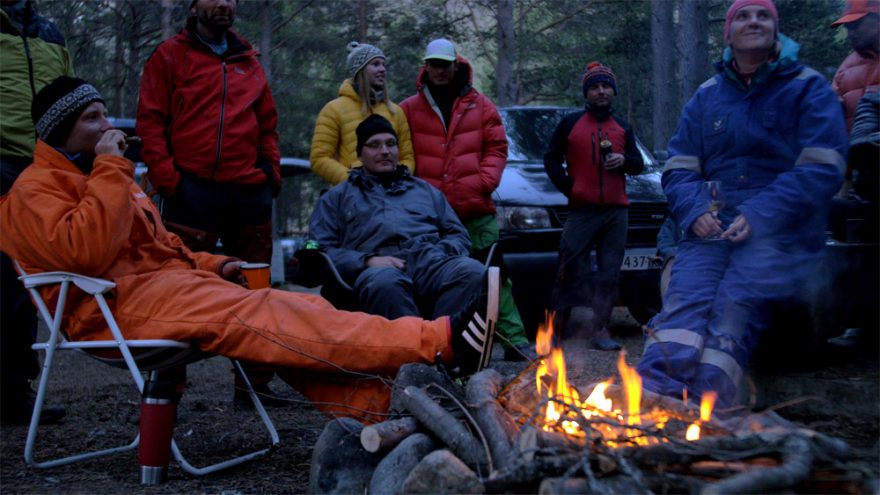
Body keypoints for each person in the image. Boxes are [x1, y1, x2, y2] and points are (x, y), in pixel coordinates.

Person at [2, 76, 497, 424]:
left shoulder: (102, 176)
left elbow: (163, 249)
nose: (108, 123)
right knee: (262, 315)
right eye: (93, 117)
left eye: (104, 112)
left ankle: (383, 407)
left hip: (166, 290)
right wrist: (112, 170)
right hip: (111, 311)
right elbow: (82, 255)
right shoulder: (35, 190)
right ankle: (438, 340)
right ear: (59, 129)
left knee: (296, 305)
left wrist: (217, 263)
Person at [636, 0, 848, 410]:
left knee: (733, 307)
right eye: (744, 16)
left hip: (779, 235)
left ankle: (705, 409)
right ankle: (649, 399)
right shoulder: (707, 96)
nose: (754, 21)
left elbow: (824, 167)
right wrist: (695, 210)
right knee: (685, 301)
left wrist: (762, 213)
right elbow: (679, 167)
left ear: (776, 30)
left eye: (763, 15)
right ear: (727, 33)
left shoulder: (807, 87)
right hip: (711, 229)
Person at [136, 0, 282, 408]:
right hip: (192, 191)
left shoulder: (248, 60)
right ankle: (168, 390)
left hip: (248, 192)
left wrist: (270, 174)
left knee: (256, 290)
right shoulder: (170, 56)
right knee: (178, 286)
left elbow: (268, 123)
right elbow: (150, 121)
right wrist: (169, 180)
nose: (223, 4)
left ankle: (253, 386)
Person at [399, 38, 532, 361]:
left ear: (455, 65)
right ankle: (435, 345)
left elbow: (497, 148)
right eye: (434, 64)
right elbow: (400, 153)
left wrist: (483, 182)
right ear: (425, 66)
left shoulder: (480, 104)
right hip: (430, 216)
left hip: (475, 209)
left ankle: (514, 341)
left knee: (494, 273)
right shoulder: (407, 109)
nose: (440, 70)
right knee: (434, 278)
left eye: (445, 64)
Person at [309, 115, 495, 343]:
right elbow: (319, 250)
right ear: (359, 154)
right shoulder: (337, 198)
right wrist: (366, 261)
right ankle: (414, 358)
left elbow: (458, 235)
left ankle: (443, 350)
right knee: (385, 283)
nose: (385, 151)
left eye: (390, 143)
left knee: (471, 271)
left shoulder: (425, 190)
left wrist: (439, 252)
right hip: (377, 269)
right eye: (374, 145)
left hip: (429, 264)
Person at [0, 0, 73, 424]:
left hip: (38, 166)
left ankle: (13, 392)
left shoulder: (51, 34)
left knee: (22, 282)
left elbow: (65, 94)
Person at [543, 61, 645, 351]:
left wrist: (624, 161)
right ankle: (556, 330)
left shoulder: (623, 126)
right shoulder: (571, 124)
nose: (601, 91)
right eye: (595, 87)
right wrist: (569, 186)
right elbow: (550, 159)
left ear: (613, 91)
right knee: (567, 268)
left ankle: (599, 328)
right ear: (586, 93)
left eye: (606, 86)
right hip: (582, 210)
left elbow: (637, 165)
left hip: (616, 211)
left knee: (609, 273)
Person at [310, 41, 414, 185]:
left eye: (384, 65)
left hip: (392, 197)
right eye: (376, 64)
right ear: (361, 70)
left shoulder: (395, 111)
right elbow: (319, 159)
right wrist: (353, 180)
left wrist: (398, 179)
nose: (383, 69)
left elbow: (407, 157)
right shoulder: (334, 109)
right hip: (352, 199)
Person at [831, 0, 879, 132]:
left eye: (856, 24)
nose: (851, 33)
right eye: (847, 27)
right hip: (857, 150)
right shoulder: (846, 68)